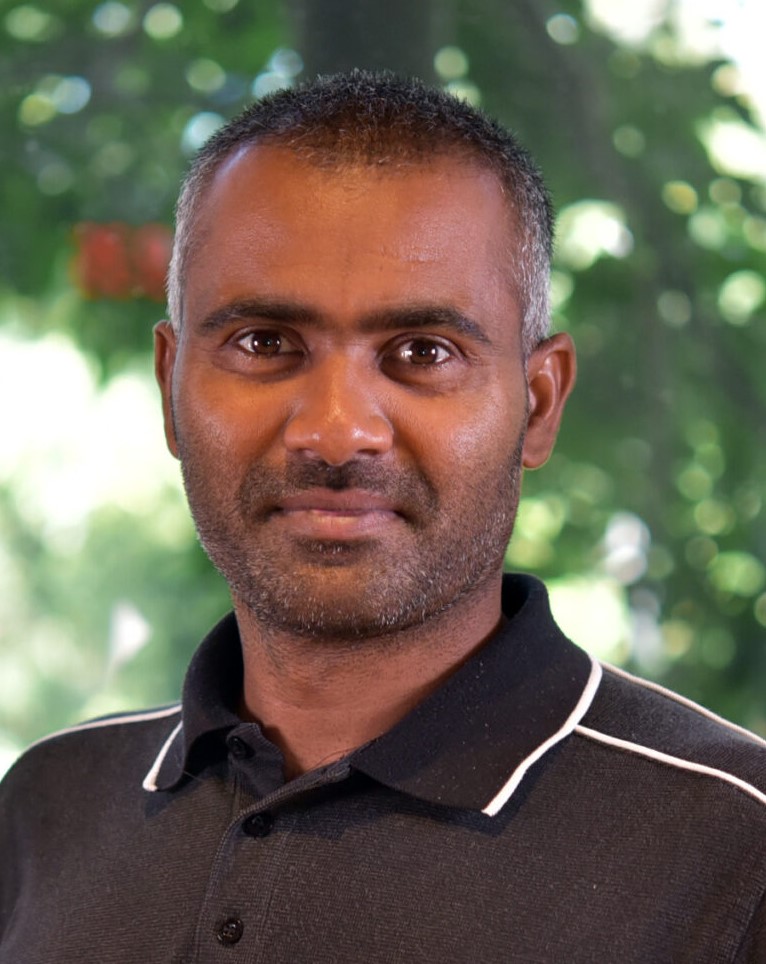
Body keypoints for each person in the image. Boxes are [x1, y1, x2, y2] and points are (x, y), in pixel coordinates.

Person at [1, 71, 764, 964]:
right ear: (171, 386)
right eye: (264, 343)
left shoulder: (735, 853)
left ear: (538, 403)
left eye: (423, 352)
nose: (336, 432)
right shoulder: (45, 807)